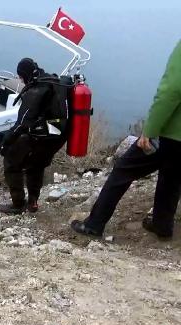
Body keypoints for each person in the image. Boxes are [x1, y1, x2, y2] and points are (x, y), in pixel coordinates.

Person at [71, 41, 181, 240]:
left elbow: (171, 91)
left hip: (171, 133)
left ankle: (94, 225)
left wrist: (150, 130)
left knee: (123, 170)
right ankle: (162, 226)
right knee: (172, 178)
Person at [0, 58, 67, 214]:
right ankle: (33, 203)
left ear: (25, 75)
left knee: (11, 162)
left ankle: (18, 204)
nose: (21, 80)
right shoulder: (54, 81)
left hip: (43, 135)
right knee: (37, 165)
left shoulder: (36, 90)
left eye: (21, 77)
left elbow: (22, 123)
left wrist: (5, 143)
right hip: (59, 135)